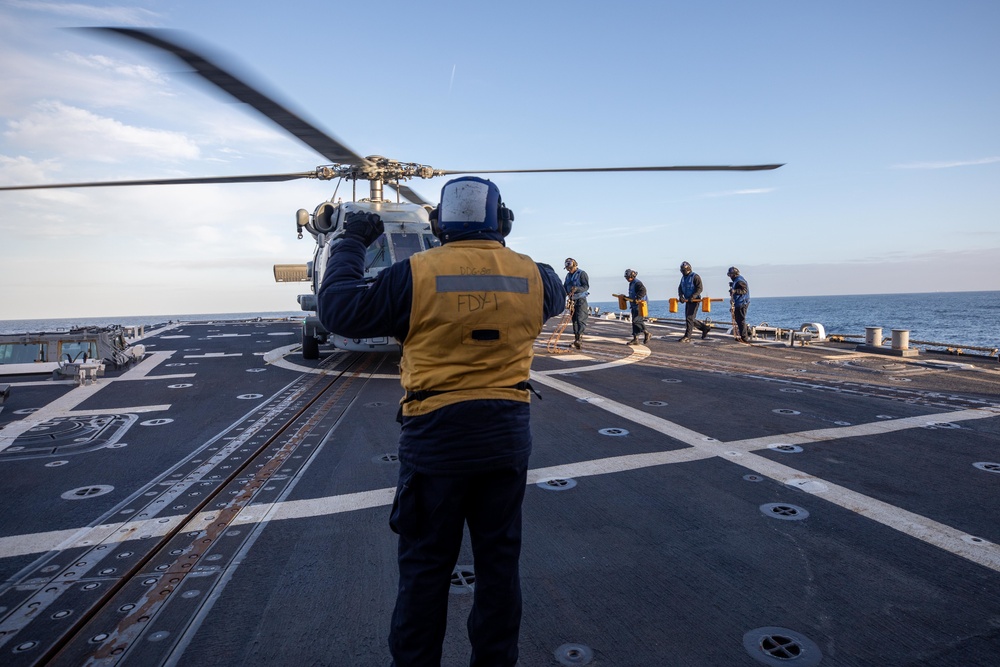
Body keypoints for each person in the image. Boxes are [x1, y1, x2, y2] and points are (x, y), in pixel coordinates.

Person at [316, 176, 565, 667]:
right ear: (504, 223)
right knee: (499, 566)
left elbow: (338, 310)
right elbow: (555, 292)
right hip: (506, 436)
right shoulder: (534, 277)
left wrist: (348, 242)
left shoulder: (415, 274)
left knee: (426, 569)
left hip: (437, 438)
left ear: (437, 225)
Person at [677, 261, 712, 342]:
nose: (683, 272)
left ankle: (687, 336)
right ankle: (704, 328)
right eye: (682, 271)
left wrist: (693, 297)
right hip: (687, 300)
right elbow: (680, 288)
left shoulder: (695, 277)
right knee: (689, 319)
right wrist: (681, 296)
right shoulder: (683, 278)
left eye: (684, 270)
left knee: (689, 318)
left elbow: (700, 288)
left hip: (695, 300)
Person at [563, 258, 589, 349]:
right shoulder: (568, 276)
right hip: (572, 300)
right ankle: (576, 339)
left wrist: (576, 289)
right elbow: (565, 286)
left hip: (580, 300)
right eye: (568, 269)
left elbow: (586, 286)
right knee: (574, 320)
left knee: (580, 319)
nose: (569, 270)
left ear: (575, 265)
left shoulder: (582, 274)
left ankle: (579, 339)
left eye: (570, 268)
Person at [623, 268, 649, 345]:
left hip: (640, 305)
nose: (627, 279)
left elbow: (643, 291)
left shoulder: (637, 283)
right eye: (626, 277)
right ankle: (635, 338)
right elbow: (632, 295)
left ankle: (646, 332)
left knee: (637, 320)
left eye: (628, 277)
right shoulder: (631, 283)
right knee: (634, 322)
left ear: (632, 276)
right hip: (634, 305)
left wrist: (638, 298)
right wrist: (626, 298)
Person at [728, 266, 751, 342]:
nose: (730, 277)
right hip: (738, 302)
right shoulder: (736, 280)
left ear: (734, 274)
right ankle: (746, 333)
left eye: (731, 275)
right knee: (738, 320)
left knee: (741, 320)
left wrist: (735, 291)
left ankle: (744, 338)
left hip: (742, 302)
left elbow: (744, 290)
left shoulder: (740, 280)